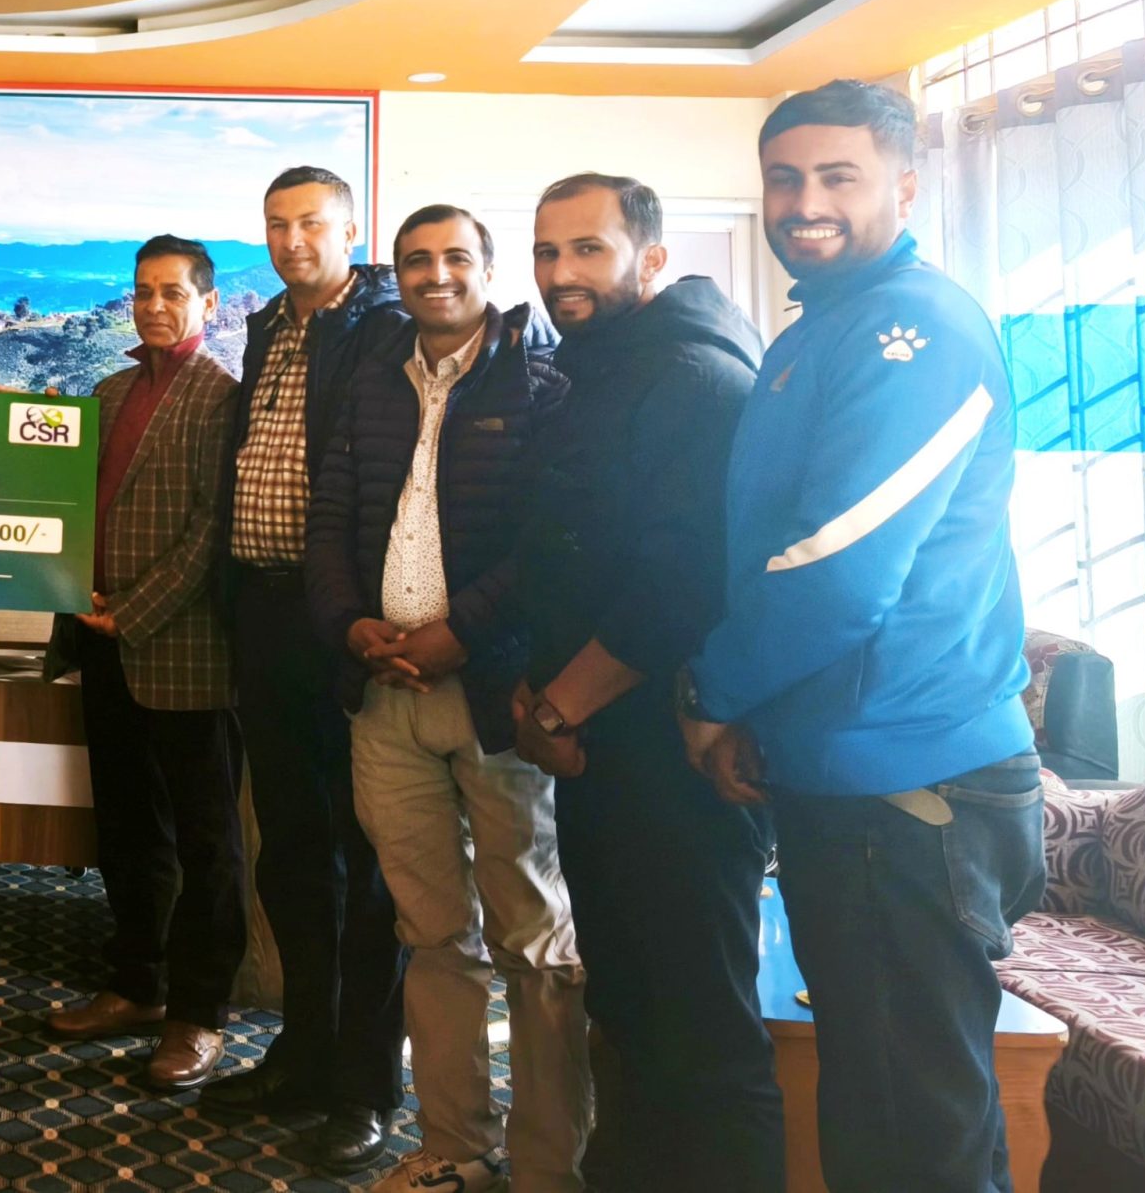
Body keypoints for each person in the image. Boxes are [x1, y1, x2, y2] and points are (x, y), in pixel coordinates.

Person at [678, 79, 1042, 1193]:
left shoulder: (913, 331)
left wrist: (711, 693)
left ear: (906, 187)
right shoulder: (822, 325)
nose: (805, 203)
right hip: (852, 765)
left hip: (909, 780)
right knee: (886, 1098)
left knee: (908, 1125)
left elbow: (836, 569)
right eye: (784, 178)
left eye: (838, 177)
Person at [509, 175, 781, 1193]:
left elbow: (678, 581)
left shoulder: (693, 375)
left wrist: (555, 705)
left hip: (676, 752)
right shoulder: (604, 364)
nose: (561, 272)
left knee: (703, 1031)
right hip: (605, 750)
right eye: (547, 252)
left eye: (588, 248)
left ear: (652, 258)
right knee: (627, 1009)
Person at [304, 206, 582, 1192]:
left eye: (455, 257)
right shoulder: (374, 379)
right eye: (415, 260)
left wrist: (461, 630)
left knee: (533, 943)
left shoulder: (539, 378)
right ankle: (456, 1148)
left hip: (496, 697)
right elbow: (328, 518)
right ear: (396, 274)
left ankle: (551, 1164)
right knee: (429, 937)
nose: (435, 274)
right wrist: (350, 625)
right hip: (385, 701)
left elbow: (550, 541)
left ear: (487, 270)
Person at [202, 165, 407, 1174]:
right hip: (264, 612)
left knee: (365, 861)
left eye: (312, 224)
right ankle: (302, 1050)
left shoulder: (385, 326)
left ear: (350, 230)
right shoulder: (266, 328)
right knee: (289, 848)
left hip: (344, 620)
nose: (293, 240)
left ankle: (364, 1085)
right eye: (277, 224)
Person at [43, 235, 247, 1092]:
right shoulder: (109, 390)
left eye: (172, 292)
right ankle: (136, 983)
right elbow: (72, 499)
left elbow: (211, 529)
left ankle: (199, 1014)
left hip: (184, 649)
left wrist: (133, 609)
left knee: (205, 842)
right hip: (102, 641)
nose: (154, 306)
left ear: (207, 301)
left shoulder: (223, 395)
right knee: (127, 830)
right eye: (142, 292)